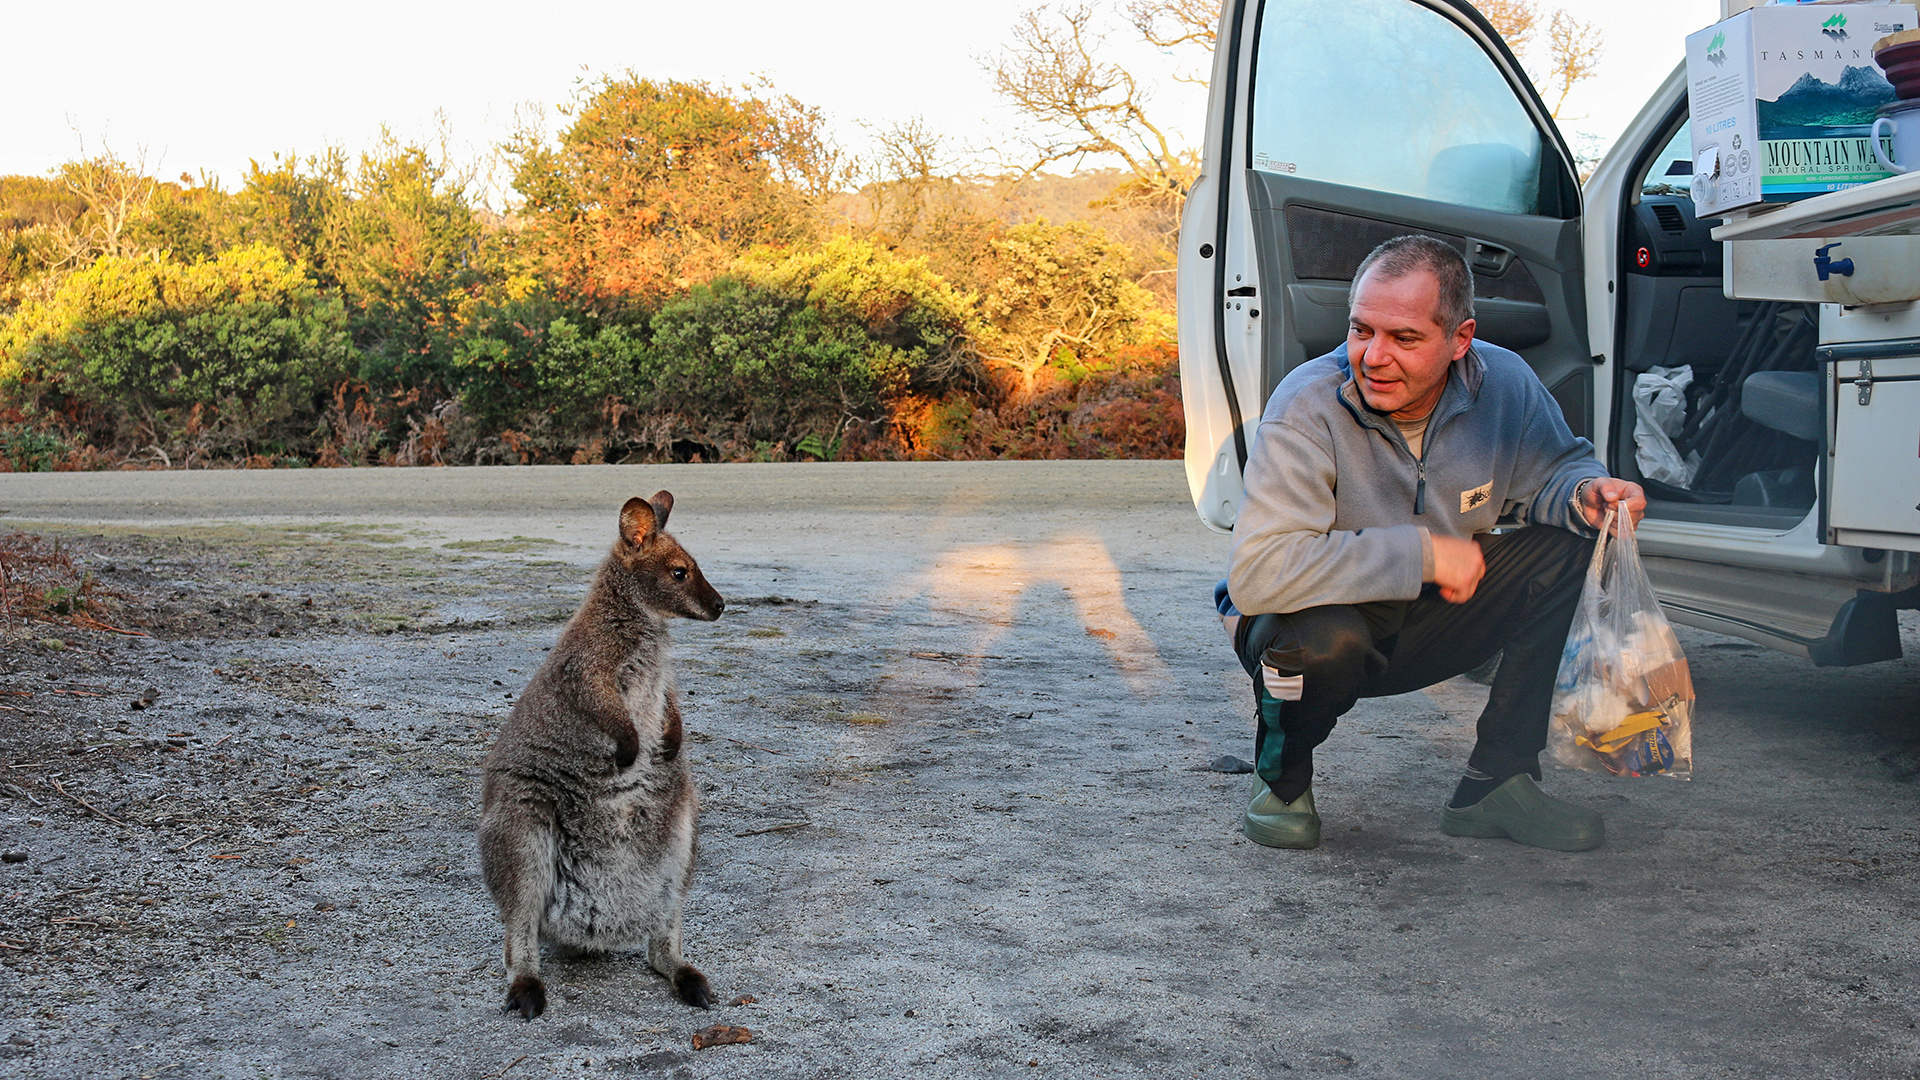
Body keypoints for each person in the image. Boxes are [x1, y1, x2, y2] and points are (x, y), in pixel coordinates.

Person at [1220, 234, 1645, 852]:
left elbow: (1555, 471)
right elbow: (1258, 574)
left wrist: (1586, 496)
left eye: (1404, 338)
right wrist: (1420, 553)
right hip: (1316, 624)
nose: (1373, 357)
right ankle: (1281, 782)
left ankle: (1498, 784)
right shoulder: (1306, 404)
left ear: (1460, 339)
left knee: (1570, 545)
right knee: (1319, 639)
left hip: (1435, 610)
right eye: (1361, 330)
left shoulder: (1504, 383)